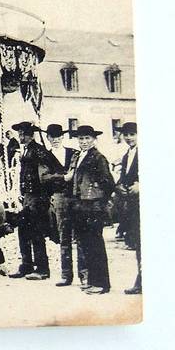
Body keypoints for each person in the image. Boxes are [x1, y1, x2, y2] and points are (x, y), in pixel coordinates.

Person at [65, 125, 115, 295]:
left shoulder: (98, 158)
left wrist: (99, 203)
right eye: (81, 138)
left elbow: (108, 182)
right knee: (86, 245)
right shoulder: (78, 156)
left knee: (96, 246)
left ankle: (102, 284)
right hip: (80, 207)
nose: (84, 141)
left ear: (94, 140)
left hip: (93, 208)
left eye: (87, 138)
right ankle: (93, 281)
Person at [8, 122, 55, 281]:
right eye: (20, 134)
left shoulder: (39, 151)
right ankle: (26, 265)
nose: (21, 137)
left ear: (31, 135)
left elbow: (46, 173)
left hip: (38, 197)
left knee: (37, 233)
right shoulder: (26, 150)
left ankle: (42, 269)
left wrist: (42, 196)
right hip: (28, 197)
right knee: (23, 231)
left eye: (24, 134)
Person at [42, 123, 85, 287]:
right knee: (64, 236)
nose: (56, 140)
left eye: (59, 136)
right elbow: (44, 177)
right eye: (52, 137)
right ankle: (66, 275)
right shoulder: (45, 156)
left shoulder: (74, 153)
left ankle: (84, 275)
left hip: (76, 197)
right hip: (59, 197)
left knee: (80, 235)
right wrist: (62, 177)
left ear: (63, 137)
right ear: (48, 138)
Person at [115, 122, 141, 294]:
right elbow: (124, 176)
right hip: (132, 204)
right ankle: (141, 281)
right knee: (138, 243)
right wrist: (120, 186)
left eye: (132, 134)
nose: (129, 137)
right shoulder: (127, 155)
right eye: (126, 134)